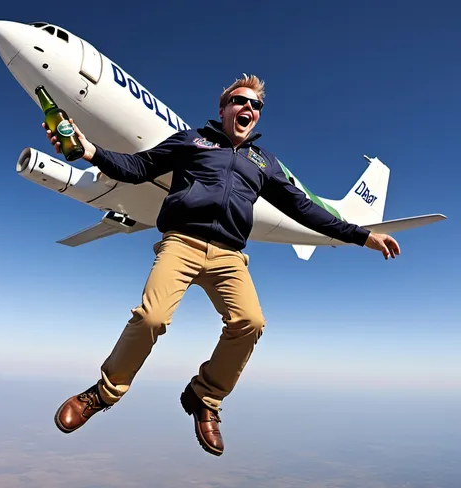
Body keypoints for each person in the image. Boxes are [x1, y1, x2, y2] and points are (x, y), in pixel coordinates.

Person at [44, 75, 400, 457]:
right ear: (223, 108)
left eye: (255, 105)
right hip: (182, 242)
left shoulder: (263, 163)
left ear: (258, 116)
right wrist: (89, 152)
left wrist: (361, 235)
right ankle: (103, 393)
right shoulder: (191, 140)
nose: (248, 108)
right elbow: (137, 168)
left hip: (230, 255)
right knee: (151, 318)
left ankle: (205, 397)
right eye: (239, 101)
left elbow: (304, 210)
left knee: (251, 323)